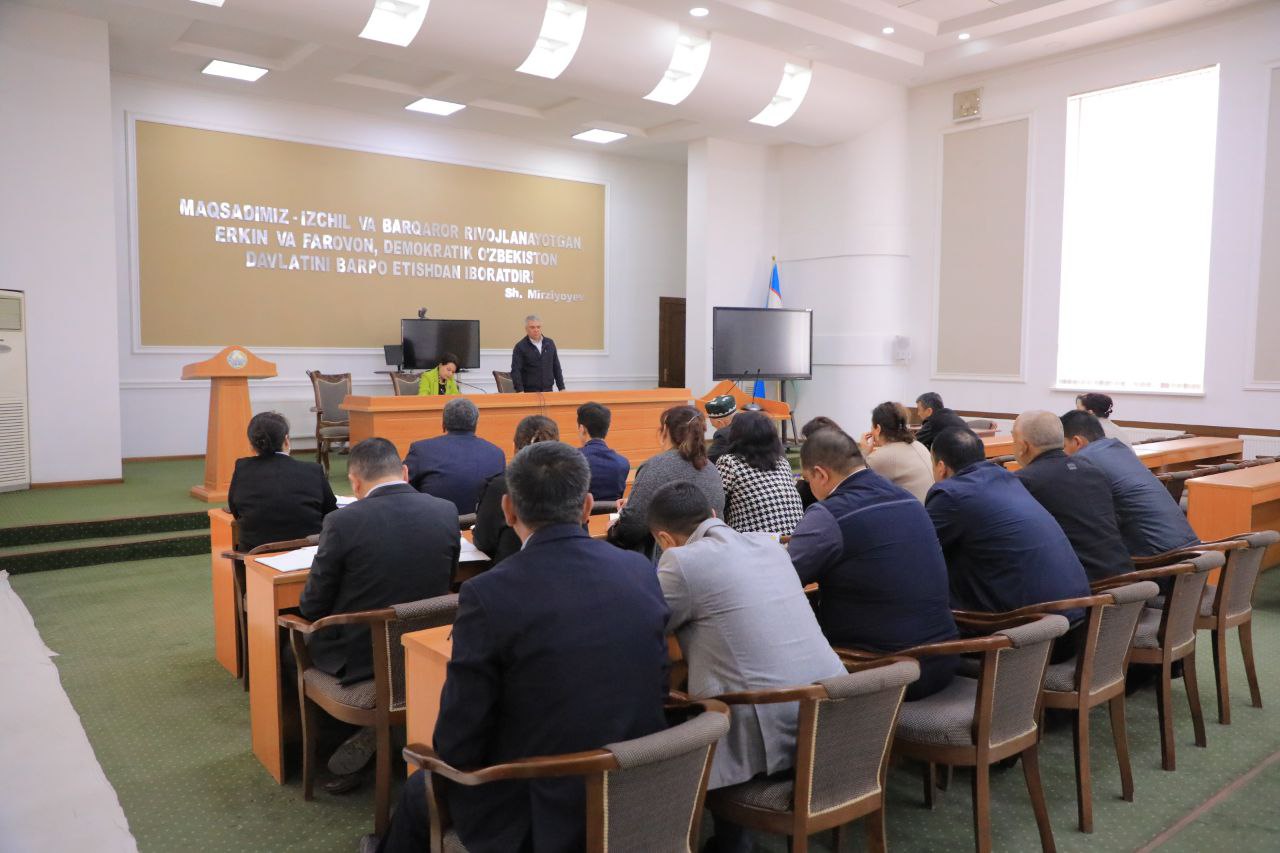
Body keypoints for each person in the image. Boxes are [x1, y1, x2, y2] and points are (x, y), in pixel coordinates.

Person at [376, 442, 670, 853]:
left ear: (508, 510)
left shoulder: (487, 594)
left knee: (419, 788)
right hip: (638, 790)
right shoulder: (639, 569)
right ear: (587, 506)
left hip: (541, 811)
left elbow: (457, 744)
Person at [649, 481, 843, 853]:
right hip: (831, 716)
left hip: (771, 721)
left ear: (665, 540)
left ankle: (731, 841)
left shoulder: (681, 561)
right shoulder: (768, 547)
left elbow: (648, 625)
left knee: (686, 702)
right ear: (713, 515)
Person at [789, 424, 958, 700]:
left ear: (820, 474)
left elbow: (782, 581)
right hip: (943, 659)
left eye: (808, 480)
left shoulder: (829, 514)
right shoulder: (908, 499)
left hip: (884, 674)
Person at [926, 427, 1090, 622]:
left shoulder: (950, 494)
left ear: (941, 467)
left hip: (1026, 627)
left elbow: (916, 552)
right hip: (1076, 613)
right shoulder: (1008, 478)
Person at [1012, 411, 1133, 583]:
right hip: (1125, 574)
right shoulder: (1093, 471)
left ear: (1023, 446)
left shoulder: (1024, 481)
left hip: (1082, 584)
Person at [1061, 410, 1199, 557]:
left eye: (1063, 446)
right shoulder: (1119, 449)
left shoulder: (1083, 460)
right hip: (1189, 545)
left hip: (1157, 555)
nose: (1062, 452)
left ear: (1077, 441)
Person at [607, 405, 725, 556]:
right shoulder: (711, 468)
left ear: (665, 431)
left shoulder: (655, 466)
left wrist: (613, 529)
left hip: (668, 561)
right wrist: (636, 501)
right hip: (712, 553)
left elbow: (631, 528)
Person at [227, 411, 336, 552]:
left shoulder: (242, 469)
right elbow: (331, 513)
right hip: (308, 556)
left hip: (255, 557)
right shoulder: (312, 470)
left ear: (252, 445)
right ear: (286, 440)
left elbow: (235, 510)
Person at [472, 415, 560, 567]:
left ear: (514, 447)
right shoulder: (571, 481)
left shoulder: (500, 487)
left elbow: (483, 542)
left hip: (512, 573)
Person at [403, 398, 505, 515]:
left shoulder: (421, 450)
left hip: (433, 523)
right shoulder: (496, 454)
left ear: (443, 424)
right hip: (480, 524)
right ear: (476, 424)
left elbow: (399, 487)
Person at [715, 410, 804, 535]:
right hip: (792, 539)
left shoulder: (729, 462)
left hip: (753, 541)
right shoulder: (782, 462)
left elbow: (716, 502)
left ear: (736, 434)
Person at [858, 401, 934, 502]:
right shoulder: (919, 445)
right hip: (928, 506)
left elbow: (856, 480)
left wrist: (864, 452)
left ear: (878, 429)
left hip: (914, 510)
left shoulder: (881, 457)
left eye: (872, 426)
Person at [576, 401, 630, 501]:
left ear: (582, 429)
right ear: (607, 430)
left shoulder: (570, 460)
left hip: (579, 511)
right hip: (612, 511)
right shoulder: (623, 463)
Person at [509, 314, 565, 393]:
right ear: (526, 329)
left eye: (538, 327)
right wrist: (520, 391)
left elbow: (556, 367)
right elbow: (516, 371)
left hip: (548, 391)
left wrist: (562, 388)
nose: (536, 330)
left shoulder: (549, 343)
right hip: (529, 392)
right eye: (532, 327)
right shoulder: (520, 347)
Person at [705, 394, 737, 464]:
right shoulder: (751, 423)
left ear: (720, 423)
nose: (716, 429)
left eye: (715, 426)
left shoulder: (722, 435)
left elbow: (708, 461)